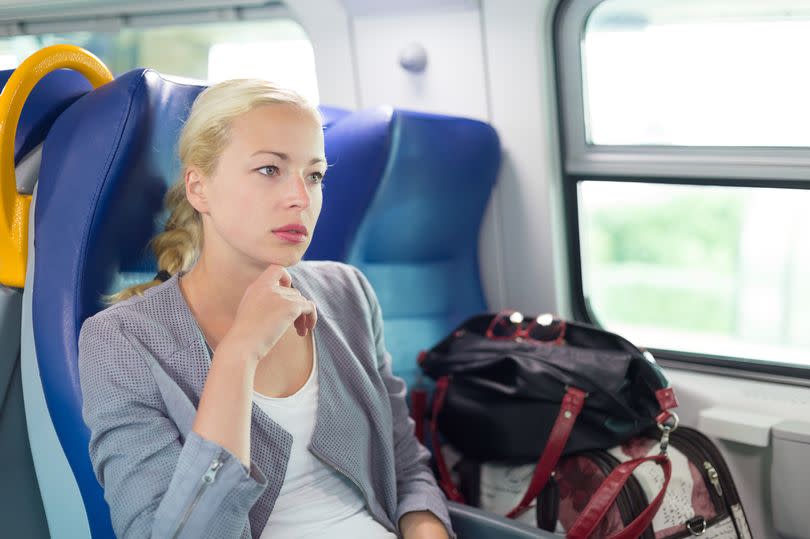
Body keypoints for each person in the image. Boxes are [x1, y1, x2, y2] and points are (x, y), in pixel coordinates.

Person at [78, 79, 454, 539]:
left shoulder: (346, 291)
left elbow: (404, 465)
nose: (301, 196)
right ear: (199, 188)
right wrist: (238, 354)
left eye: (314, 175)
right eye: (269, 170)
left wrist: (426, 530)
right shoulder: (121, 341)